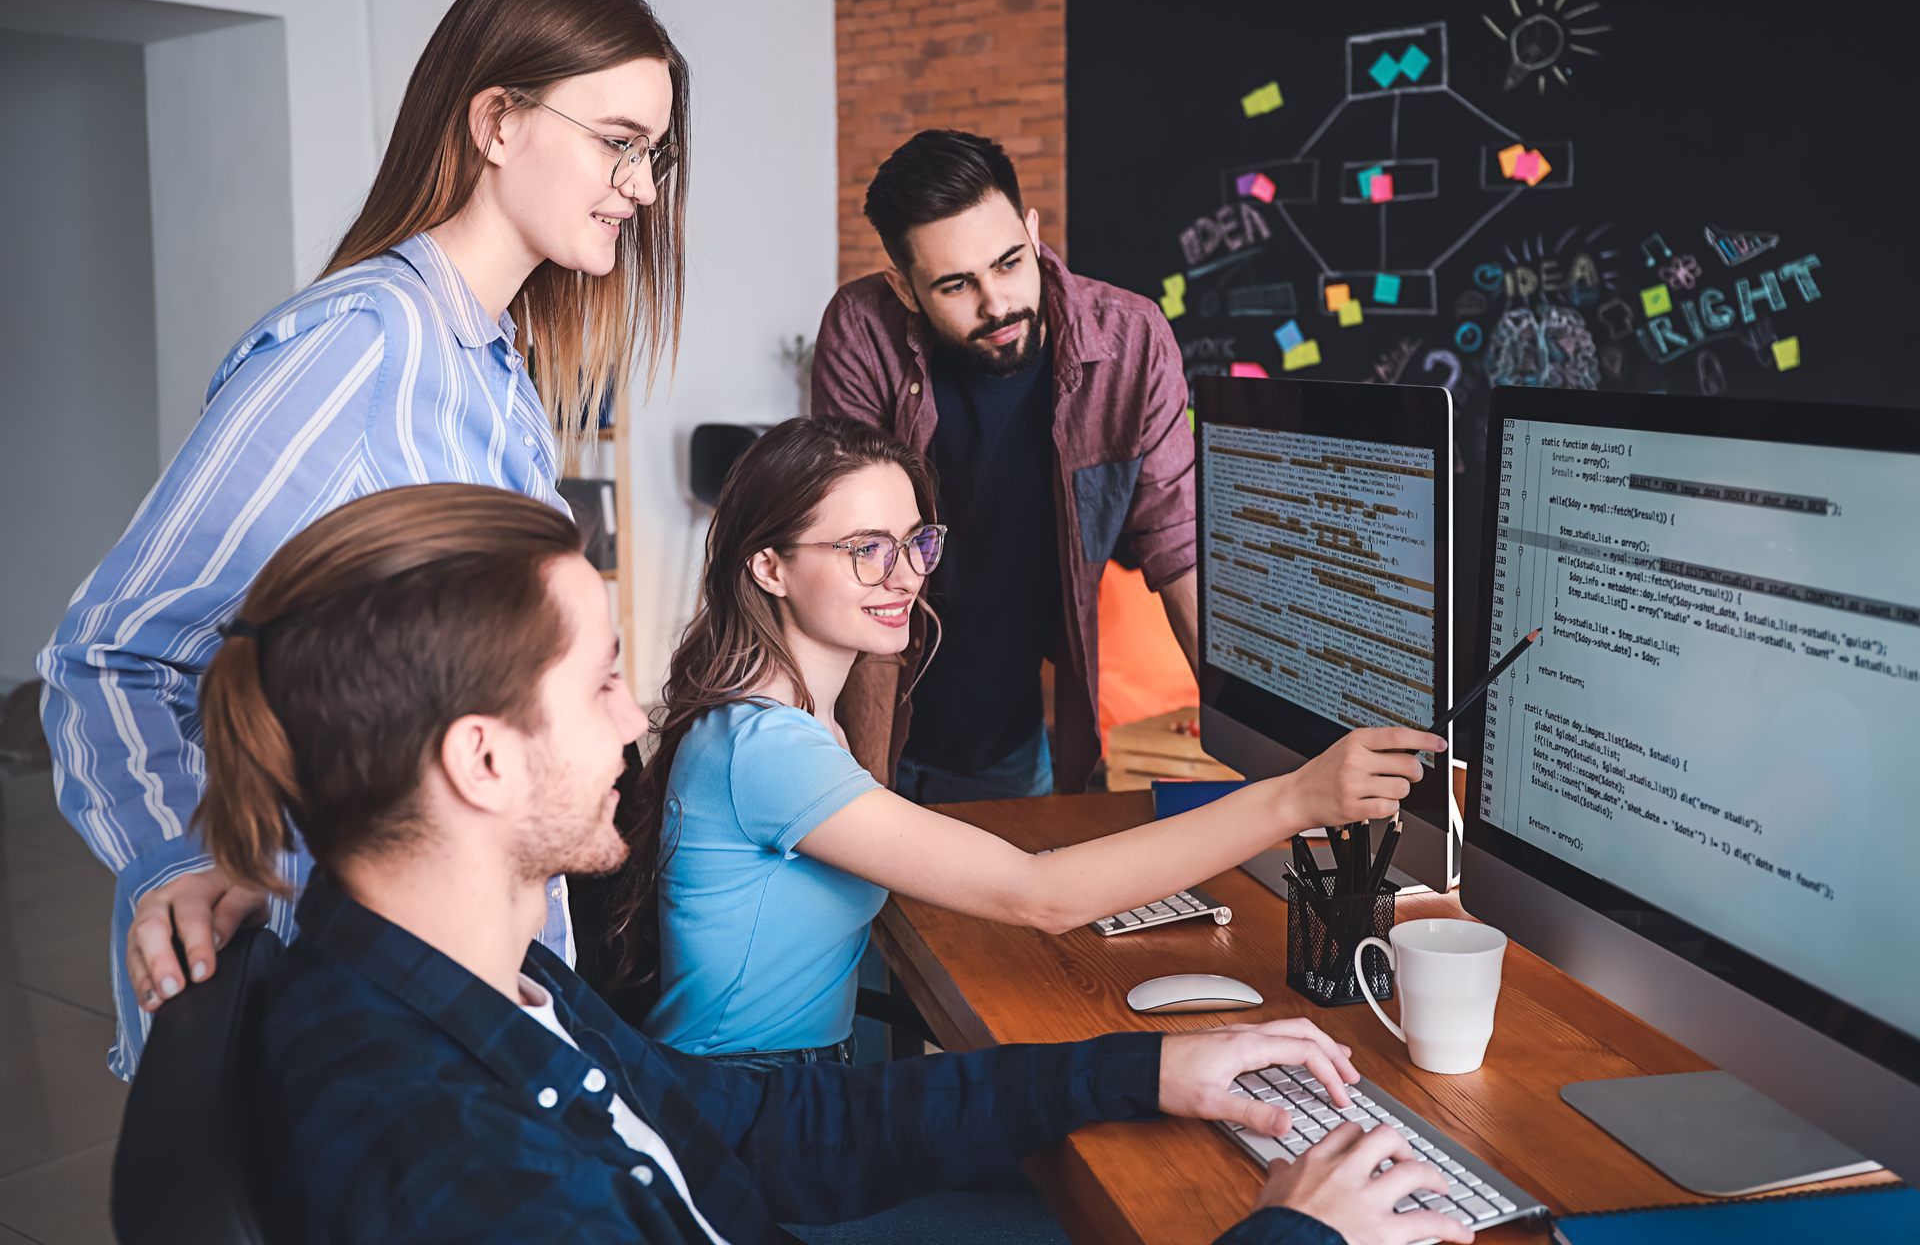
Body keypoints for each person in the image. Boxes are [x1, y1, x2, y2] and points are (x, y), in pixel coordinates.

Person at [193, 481, 1468, 1245]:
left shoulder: (487, 980)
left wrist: (1146, 1066)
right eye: (601, 685)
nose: (640, 719)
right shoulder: (450, 1161)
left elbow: (754, 1126)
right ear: (480, 761)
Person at [34, 0, 689, 1077]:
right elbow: (113, 652)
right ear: (496, 119)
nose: (643, 186)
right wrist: (168, 861)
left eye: (655, 155)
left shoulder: (496, 372)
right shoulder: (363, 348)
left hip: (453, 993)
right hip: (338, 1010)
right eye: (618, 141)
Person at [622, 417, 1443, 1068]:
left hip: (784, 1078)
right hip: (746, 1110)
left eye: (915, 542)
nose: (905, 575)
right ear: (769, 568)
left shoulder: (789, 714)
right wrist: (1300, 795)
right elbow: (1038, 896)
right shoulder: (768, 746)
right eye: (865, 551)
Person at [810, 129, 1198, 803]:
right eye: (956, 285)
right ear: (905, 289)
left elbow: (1181, 551)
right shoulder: (862, 332)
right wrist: (865, 799)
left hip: (1010, 745)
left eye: (1010, 262)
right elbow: (863, 562)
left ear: (1033, 230)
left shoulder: (1132, 344)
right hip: (861, 729)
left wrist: (1279, 769)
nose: (996, 304)